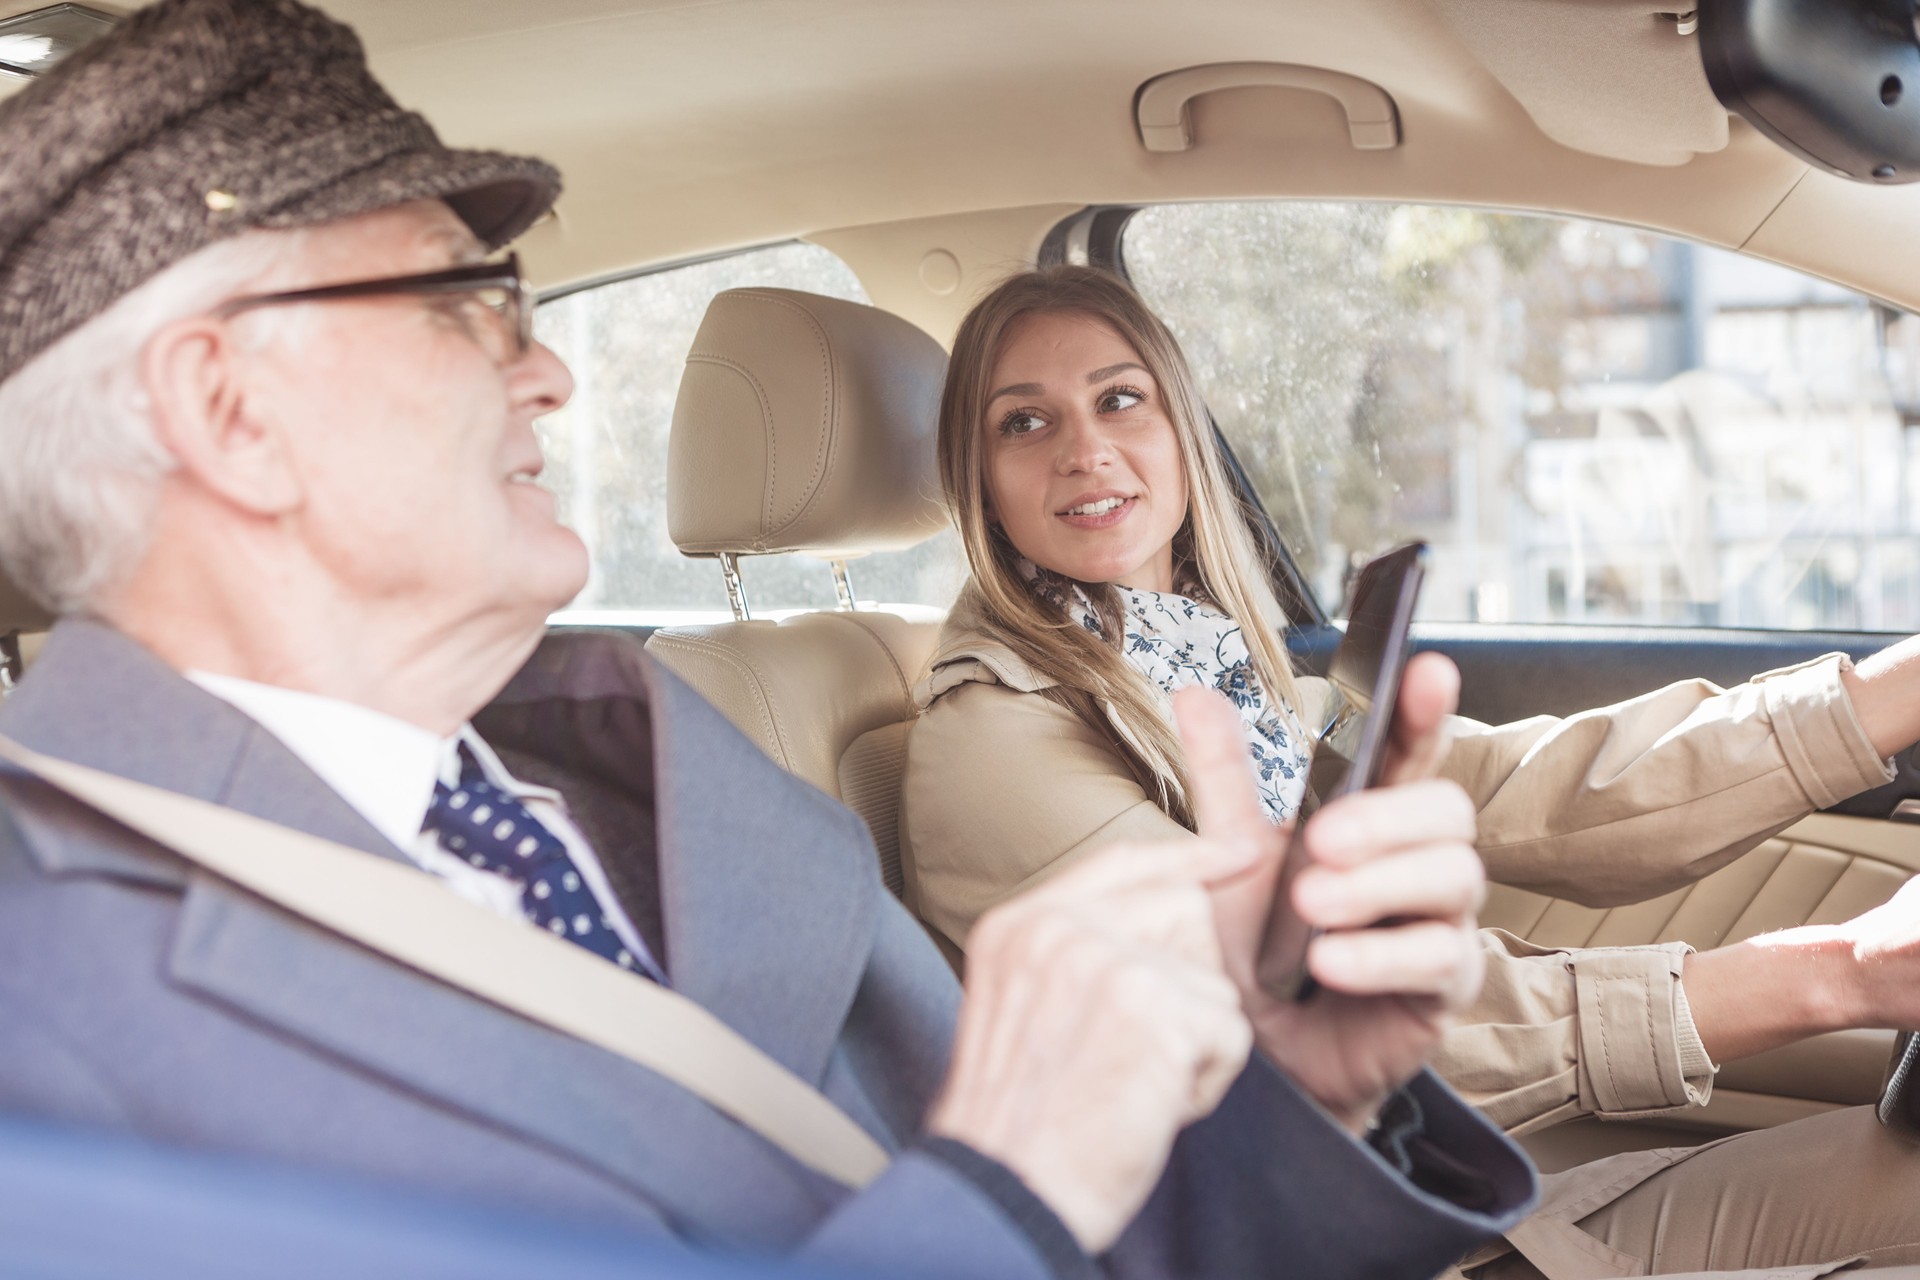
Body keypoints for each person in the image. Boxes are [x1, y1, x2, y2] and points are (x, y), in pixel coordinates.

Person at [0, 2, 1540, 1277]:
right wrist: (1000, 1183)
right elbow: (1002, 1204)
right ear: (230, 411)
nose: (549, 376)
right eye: (471, 303)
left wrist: (1278, 1097)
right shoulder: (44, 1015)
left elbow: (1098, 1237)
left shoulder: (668, 774)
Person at [901, 264, 1920, 1278]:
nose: (1086, 448)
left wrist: (1883, 694)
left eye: (1120, 398)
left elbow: (1530, 788)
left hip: (1421, 1213)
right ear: (977, 476)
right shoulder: (995, 739)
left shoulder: (1198, 663)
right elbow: (1306, 1029)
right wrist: (1835, 974)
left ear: (1181, 430)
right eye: (1024, 423)